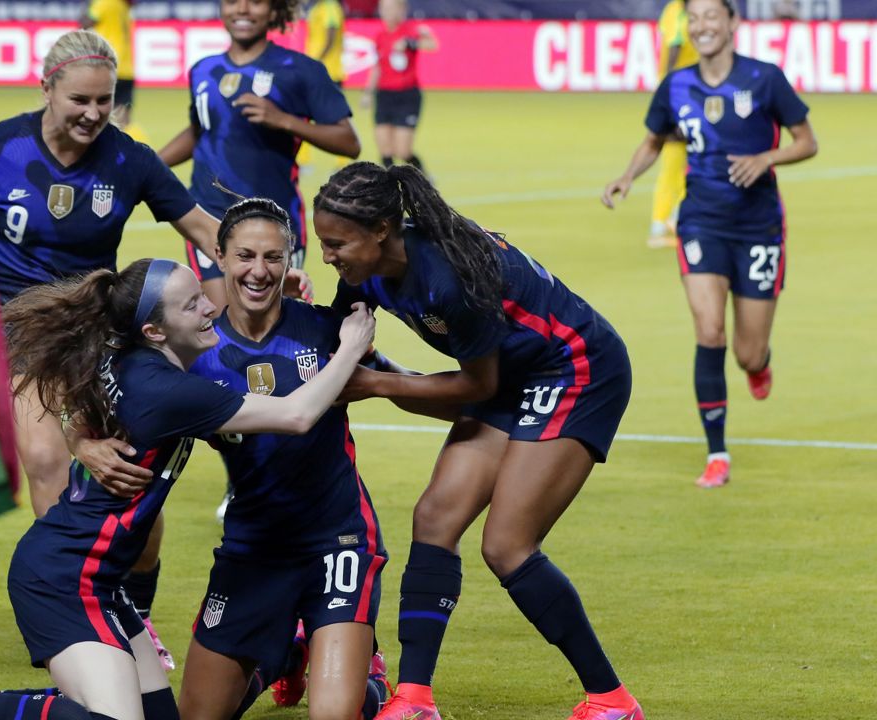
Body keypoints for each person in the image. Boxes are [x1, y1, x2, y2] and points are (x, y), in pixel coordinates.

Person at [0, 29, 234, 669]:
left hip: (101, 333)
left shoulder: (131, 159)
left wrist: (257, 271)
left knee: (132, 475)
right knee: (44, 457)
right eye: (80, 100)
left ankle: (134, 618)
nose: (94, 114)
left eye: (106, 100)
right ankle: (74, 608)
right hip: (14, 330)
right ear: (46, 90)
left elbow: (202, 227)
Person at [0, 258, 376, 720]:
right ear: (155, 331)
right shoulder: (169, 392)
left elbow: (72, 391)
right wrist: (351, 346)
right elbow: (296, 416)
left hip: (100, 580)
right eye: (192, 305)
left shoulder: (129, 356)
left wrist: (80, 439)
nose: (210, 307)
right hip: (63, 578)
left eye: (202, 295)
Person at [313, 162, 641, 720]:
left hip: (574, 369)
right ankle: (414, 700)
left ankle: (612, 701)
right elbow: (334, 337)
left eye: (336, 243)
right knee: (435, 517)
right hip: (511, 372)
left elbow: (475, 388)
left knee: (507, 544)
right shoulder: (363, 272)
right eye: (323, 243)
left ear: (382, 231)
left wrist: (378, 382)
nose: (327, 257)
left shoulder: (448, 279)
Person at [168, 199, 390, 720]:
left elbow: (398, 383)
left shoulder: (323, 329)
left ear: (290, 260)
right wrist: (86, 442)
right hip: (253, 550)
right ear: (218, 256)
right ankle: (284, 654)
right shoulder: (195, 357)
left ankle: (366, 684)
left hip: (337, 540)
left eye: (273, 256)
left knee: (333, 714)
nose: (259, 271)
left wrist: (481, 397)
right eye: (245, 255)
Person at [602, 0, 816, 488]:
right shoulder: (675, 85)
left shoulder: (765, 78)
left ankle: (759, 365)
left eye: (710, 17)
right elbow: (654, 140)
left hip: (759, 227)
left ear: (733, 23)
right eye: (693, 20)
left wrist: (766, 158)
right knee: (709, 331)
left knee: (746, 351)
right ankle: (717, 453)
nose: (701, 27)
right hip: (700, 222)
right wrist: (627, 176)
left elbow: (808, 140)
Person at [159, 0, 362, 309]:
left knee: (271, 331)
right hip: (209, 215)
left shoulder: (301, 70)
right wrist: (151, 165)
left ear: (274, 10)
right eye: (231, 2)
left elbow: (349, 141)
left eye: (254, 2)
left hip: (274, 220)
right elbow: (201, 130)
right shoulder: (203, 70)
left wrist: (284, 120)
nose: (242, 9)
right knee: (222, 325)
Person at [646, 0, 700, 248]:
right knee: (674, 158)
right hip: (681, 94)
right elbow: (675, 44)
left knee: (689, 159)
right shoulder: (680, 12)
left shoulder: (672, 9)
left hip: (688, 92)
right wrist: (669, 92)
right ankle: (660, 223)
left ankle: (675, 218)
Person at [361, 0, 436, 171]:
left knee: (402, 151)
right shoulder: (380, 36)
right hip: (384, 95)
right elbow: (377, 67)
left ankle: (423, 179)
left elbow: (432, 45)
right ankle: (391, 188)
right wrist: (367, 92)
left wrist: (411, 43)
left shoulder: (409, 31)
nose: (386, 12)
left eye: (390, 8)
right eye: (383, 8)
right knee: (385, 149)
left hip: (406, 95)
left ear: (400, 10)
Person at [81, 0, 146, 141]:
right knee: (123, 119)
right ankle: (130, 152)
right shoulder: (122, 6)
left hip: (108, 65)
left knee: (97, 115)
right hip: (126, 68)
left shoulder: (103, 3)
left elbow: (85, 24)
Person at [296, 0, 349, 170]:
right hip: (317, 69)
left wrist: (316, 61)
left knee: (335, 119)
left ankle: (343, 161)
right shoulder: (318, 7)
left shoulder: (330, 6)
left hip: (328, 71)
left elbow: (331, 34)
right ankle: (303, 159)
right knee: (305, 114)